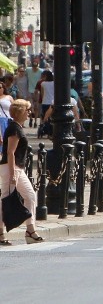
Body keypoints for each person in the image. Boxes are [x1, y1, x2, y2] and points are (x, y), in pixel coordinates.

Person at [0, 99, 44, 245]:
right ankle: (1, 233)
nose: (29, 113)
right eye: (27, 110)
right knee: (6, 200)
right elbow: (10, 152)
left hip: (17, 168)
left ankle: (30, 230)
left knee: (30, 195)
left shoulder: (16, 127)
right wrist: (13, 174)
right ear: (20, 112)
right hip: (11, 168)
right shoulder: (14, 128)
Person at [26, 60, 42, 128]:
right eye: (33, 67)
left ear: (38, 65)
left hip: (38, 91)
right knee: (31, 106)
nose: (34, 68)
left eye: (36, 67)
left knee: (37, 108)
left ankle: (35, 121)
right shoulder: (28, 70)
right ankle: (31, 118)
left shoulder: (41, 71)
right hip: (30, 90)